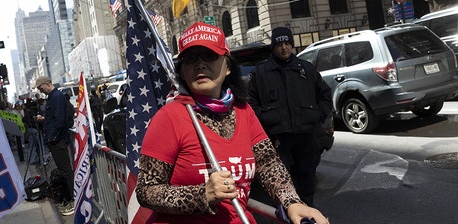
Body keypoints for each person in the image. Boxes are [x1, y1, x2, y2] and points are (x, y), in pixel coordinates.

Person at [136, 22, 329, 224]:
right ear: (182, 70)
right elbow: (146, 190)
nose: (199, 64)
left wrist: (292, 201)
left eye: (209, 56)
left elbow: (268, 163)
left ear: (228, 66)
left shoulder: (243, 111)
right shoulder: (169, 117)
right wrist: (202, 195)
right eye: (190, 59)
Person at [248, 27, 333, 207]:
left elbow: (325, 96)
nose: (284, 48)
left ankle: (307, 212)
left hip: (306, 136)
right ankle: (284, 215)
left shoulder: (306, 69)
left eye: (287, 43)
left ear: (292, 45)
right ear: (273, 47)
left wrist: (316, 115)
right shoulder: (261, 72)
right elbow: (251, 103)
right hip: (277, 139)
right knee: (280, 182)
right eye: (279, 44)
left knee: (307, 178)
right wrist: (265, 118)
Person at [34, 76, 75, 216]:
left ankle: (73, 200)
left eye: (41, 87)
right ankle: (70, 199)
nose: (40, 90)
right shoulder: (53, 97)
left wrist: (52, 137)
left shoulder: (56, 97)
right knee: (64, 171)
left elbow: (59, 120)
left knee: (66, 171)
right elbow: (54, 118)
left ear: (47, 84)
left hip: (58, 141)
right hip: (56, 139)